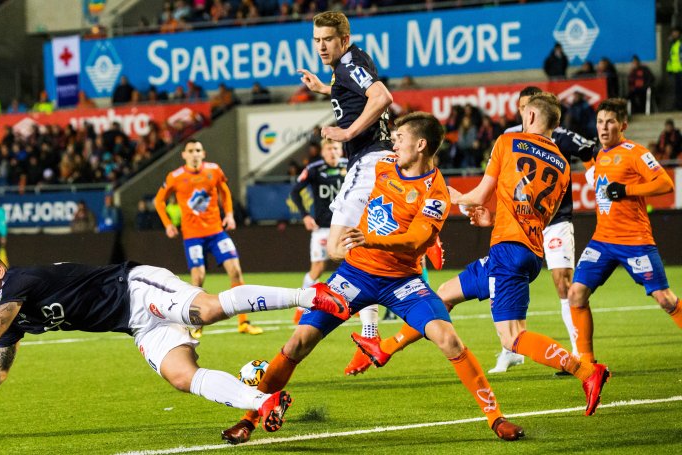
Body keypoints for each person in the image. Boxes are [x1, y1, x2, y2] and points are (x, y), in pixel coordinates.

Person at [222, 113, 525, 445]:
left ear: (420, 145)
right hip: (356, 273)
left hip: (402, 281)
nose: (393, 142)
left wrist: (373, 239)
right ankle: (248, 419)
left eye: (400, 138)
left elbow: (414, 239)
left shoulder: (433, 192)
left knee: (449, 339)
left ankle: (496, 418)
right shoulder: (383, 165)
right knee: (298, 341)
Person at [351, 93, 610, 418]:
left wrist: (443, 193)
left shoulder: (509, 142)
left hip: (507, 251)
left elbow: (478, 195)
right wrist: (492, 219)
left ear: (529, 116)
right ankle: (385, 347)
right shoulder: (562, 167)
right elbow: (535, 213)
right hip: (528, 249)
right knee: (443, 295)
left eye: (521, 111)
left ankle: (587, 372)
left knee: (513, 337)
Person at [0, 249, 351, 433]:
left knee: (209, 309)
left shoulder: (17, 283)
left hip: (136, 288)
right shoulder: (14, 314)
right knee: (180, 376)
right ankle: (261, 402)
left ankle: (311, 294)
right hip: (136, 325)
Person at [295, 11, 394, 373]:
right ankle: (370, 332)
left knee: (338, 247)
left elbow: (381, 96)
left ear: (344, 39)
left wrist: (348, 133)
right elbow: (357, 92)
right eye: (316, 39)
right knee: (355, 247)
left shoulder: (349, 62)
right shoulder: (347, 67)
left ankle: (381, 284)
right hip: (380, 162)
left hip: (368, 162)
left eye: (328, 40)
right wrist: (325, 88)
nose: (321, 46)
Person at [485, 86, 596, 374]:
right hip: (519, 223)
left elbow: (587, 149)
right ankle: (510, 350)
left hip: (555, 220)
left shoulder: (558, 136)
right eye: (520, 107)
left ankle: (578, 352)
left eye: (527, 108)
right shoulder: (510, 137)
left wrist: (596, 179)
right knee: (510, 284)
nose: (524, 113)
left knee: (563, 283)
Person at [567, 98, 681, 365]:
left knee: (665, 299)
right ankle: (588, 365)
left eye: (610, 122)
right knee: (576, 294)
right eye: (600, 122)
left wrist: (628, 190)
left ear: (623, 125)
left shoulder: (636, 152)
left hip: (635, 241)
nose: (604, 128)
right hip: (602, 241)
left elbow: (665, 183)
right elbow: (597, 177)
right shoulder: (600, 154)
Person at [154, 139, 263, 336]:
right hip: (193, 237)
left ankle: (243, 322)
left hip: (216, 232)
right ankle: (197, 324)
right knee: (198, 278)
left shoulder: (214, 170)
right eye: (190, 151)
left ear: (203, 153)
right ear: (184, 155)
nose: (194, 153)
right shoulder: (175, 177)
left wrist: (229, 214)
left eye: (197, 150)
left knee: (236, 272)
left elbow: (224, 191)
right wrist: (168, 224)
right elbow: (159, 200)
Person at [289, 138, 348, 322]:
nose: (333, 152)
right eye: (329, 148)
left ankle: (353, 306)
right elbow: (294, 191)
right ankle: (300, 308)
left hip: (346, 227)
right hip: (323, 228)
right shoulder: (314, 169)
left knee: (355, 265)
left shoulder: (351, 166)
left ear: (341, 150)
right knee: (318, 268)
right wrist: (305, 215)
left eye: (336, 148)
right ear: (323, 152)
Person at [666, 27, 682, 110]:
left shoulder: (680, 44)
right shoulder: (673, 45)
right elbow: (671, 59)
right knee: (677, 90)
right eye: (673, 32)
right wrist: (669, 70)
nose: (673, 34)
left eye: (675, 32)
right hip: (675, 71)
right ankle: (678, 106)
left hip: (680, 71)